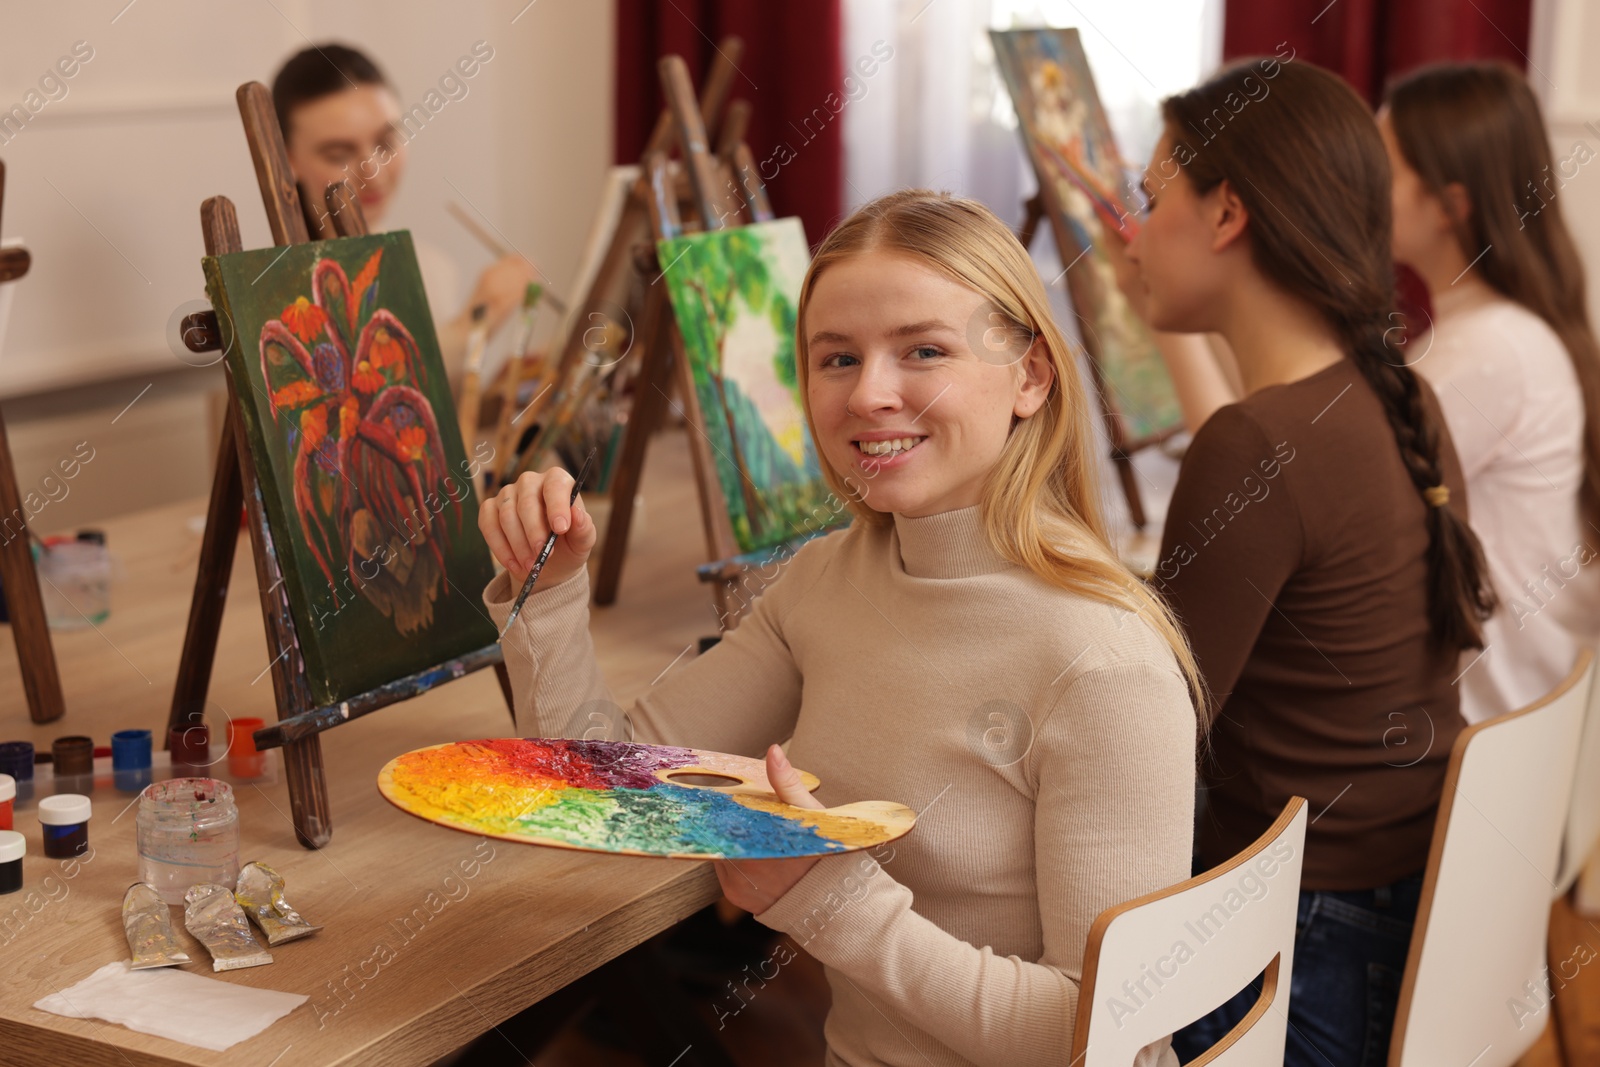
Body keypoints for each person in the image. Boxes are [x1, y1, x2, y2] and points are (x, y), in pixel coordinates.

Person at [481, 190, 1199, 1066]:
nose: (869, 394)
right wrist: (547, 592)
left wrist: (828, 894)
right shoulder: (828, 579)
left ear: (1031, 375)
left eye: (923, 350)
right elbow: (602, 799)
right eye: (837, 358)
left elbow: (1110, 1039)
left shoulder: (1105, 662)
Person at [1117, 60, 1496, 1064]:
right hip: (1390, 896)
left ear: (1226, 212)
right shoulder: (1393, 396)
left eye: (1150, 200)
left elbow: (1145, 726)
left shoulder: (1257, 443)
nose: (1132, 232)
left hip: (1296, 933)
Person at [1380, 62, 1600, 722]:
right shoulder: (1489, 334)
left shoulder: (1488, 351)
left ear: (1452, 204)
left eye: (1383, 172)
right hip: (1505, 730)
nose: (1363, 190)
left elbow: (1318, 512)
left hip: (1469, 732)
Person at [271, 44, 536, 392]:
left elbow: (441, 422)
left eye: (386, 143)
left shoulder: (433, 269)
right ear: (287, 160)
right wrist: (475, 324)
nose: (373, 170)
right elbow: (364, 411)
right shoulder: (279, 297)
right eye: (339, 154)